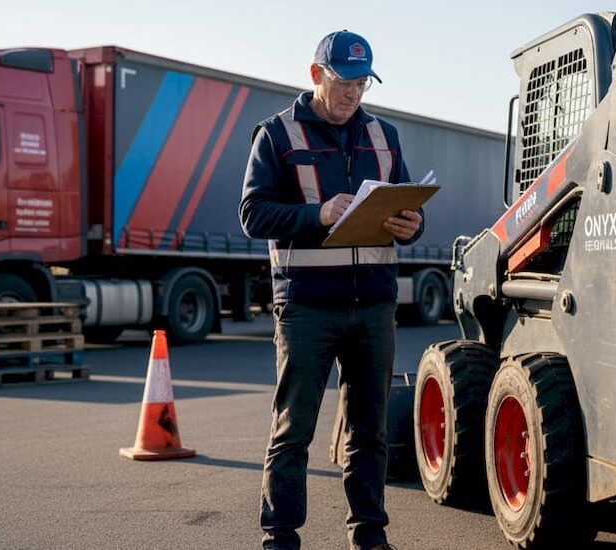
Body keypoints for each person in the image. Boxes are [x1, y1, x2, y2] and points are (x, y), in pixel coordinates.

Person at [240, 29, 421, 550]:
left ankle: (370, 537)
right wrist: (316, 214)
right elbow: (252, 214)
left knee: (370, 432)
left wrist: (413, 225)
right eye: (344, 82)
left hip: (373, 306)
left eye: (363, 84)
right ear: (316, 74)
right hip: (307, 307)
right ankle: (280, 538)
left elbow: (407, 206)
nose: (353, 94)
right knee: (293, 430)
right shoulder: (276, 134)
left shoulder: (385, 136)